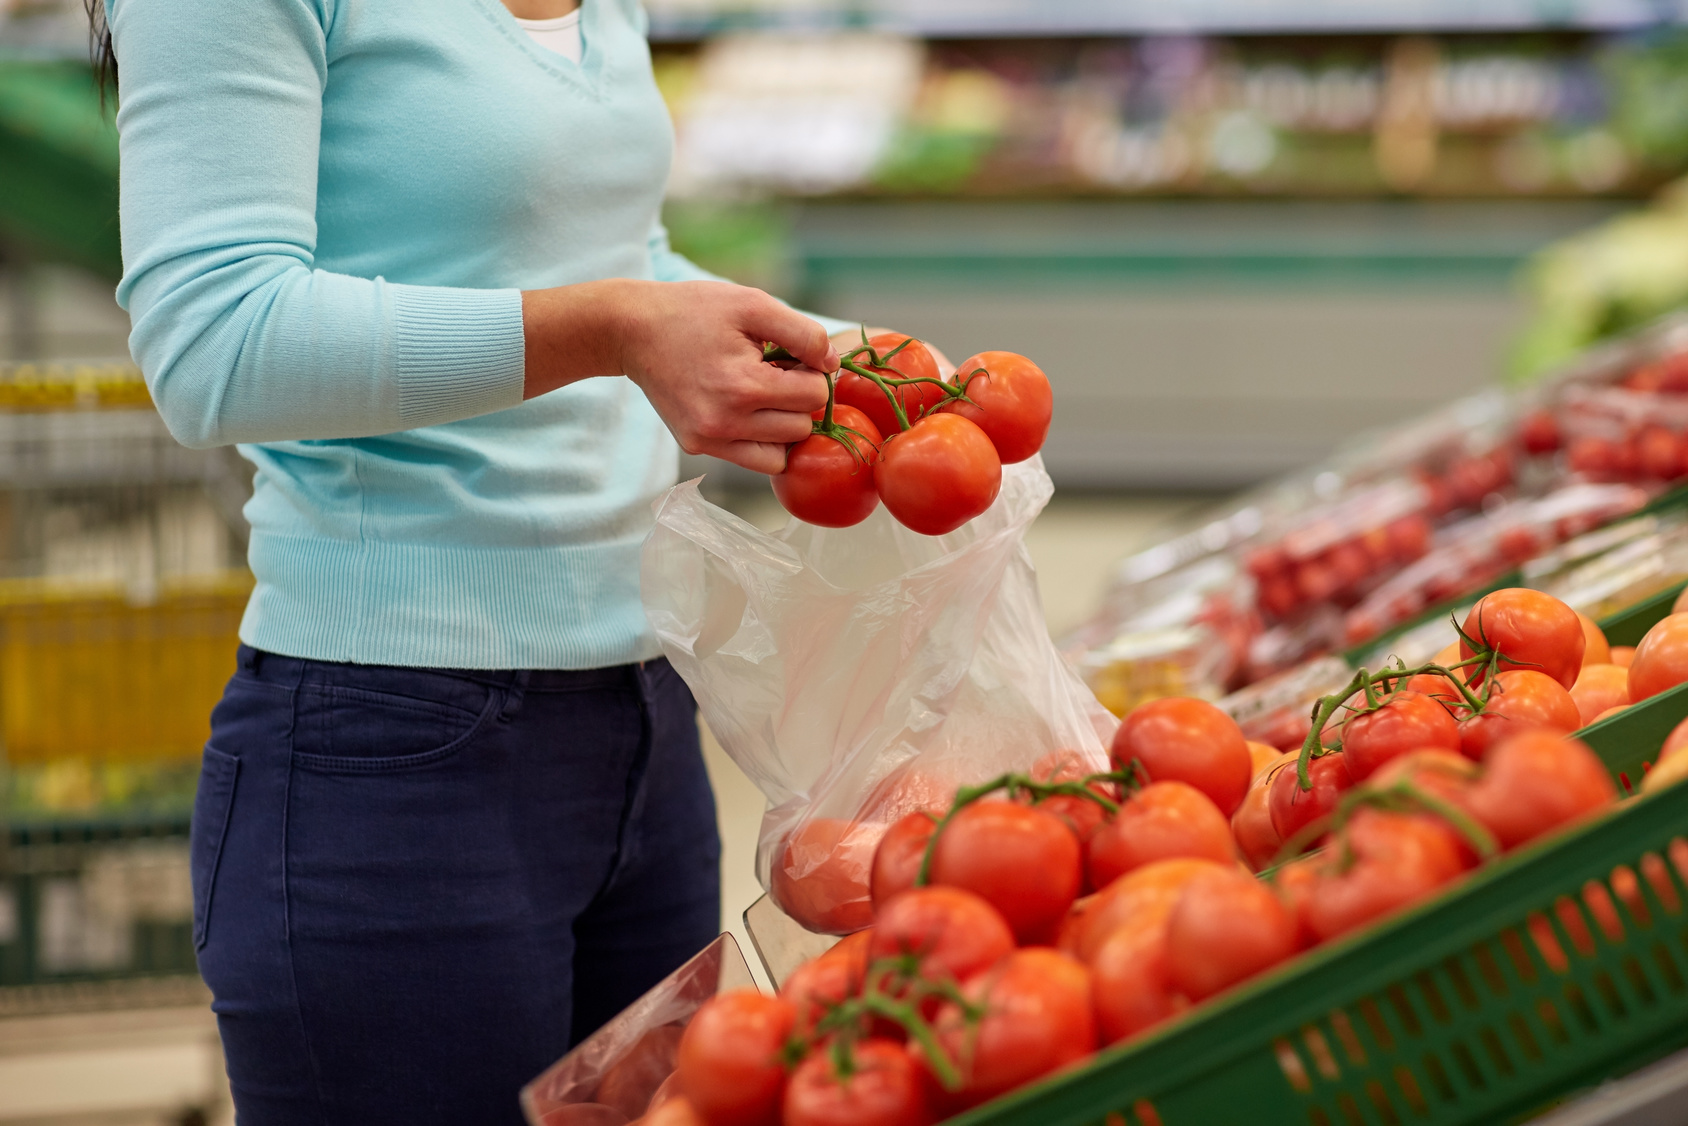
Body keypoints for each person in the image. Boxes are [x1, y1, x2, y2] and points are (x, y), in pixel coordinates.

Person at [94, 0, 876, 1121]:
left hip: (641, 720)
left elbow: (605, 250)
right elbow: (216, 343)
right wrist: (613, 328)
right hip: (392, 748)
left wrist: (835, 360)